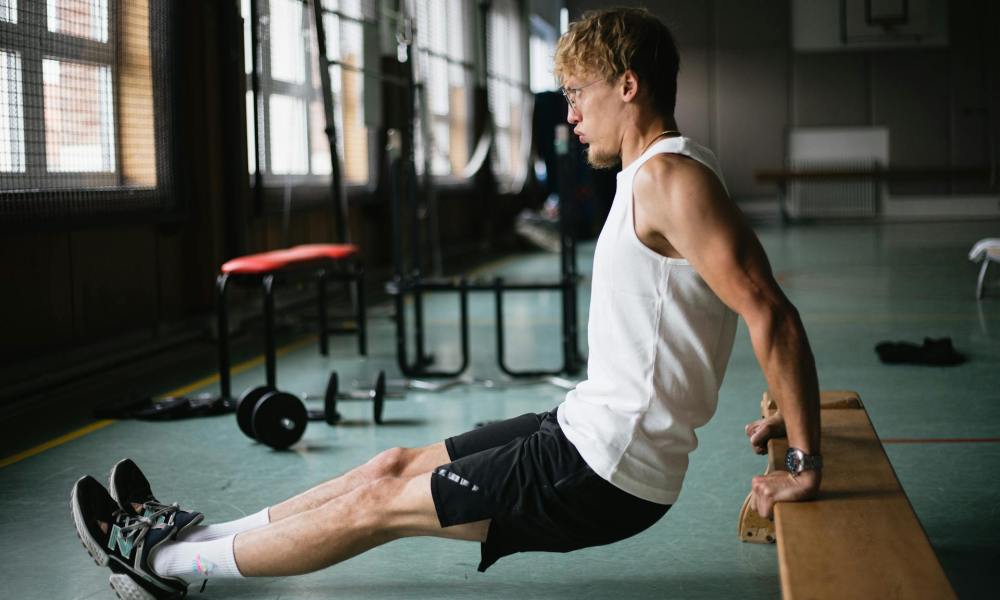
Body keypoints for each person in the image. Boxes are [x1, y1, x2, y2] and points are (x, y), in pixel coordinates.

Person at [70, 8, 821, 599]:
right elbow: (729, 305)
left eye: (579, 93)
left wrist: (801, 458)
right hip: (583, 424)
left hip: (605, 468)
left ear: (629, 84)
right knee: (387, 467)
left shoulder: (668, 178)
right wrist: (787, 406)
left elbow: (769, 311)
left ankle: (167, 564)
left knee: (379, 510)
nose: (570, 115)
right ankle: (192, 538)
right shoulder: (660, 175)